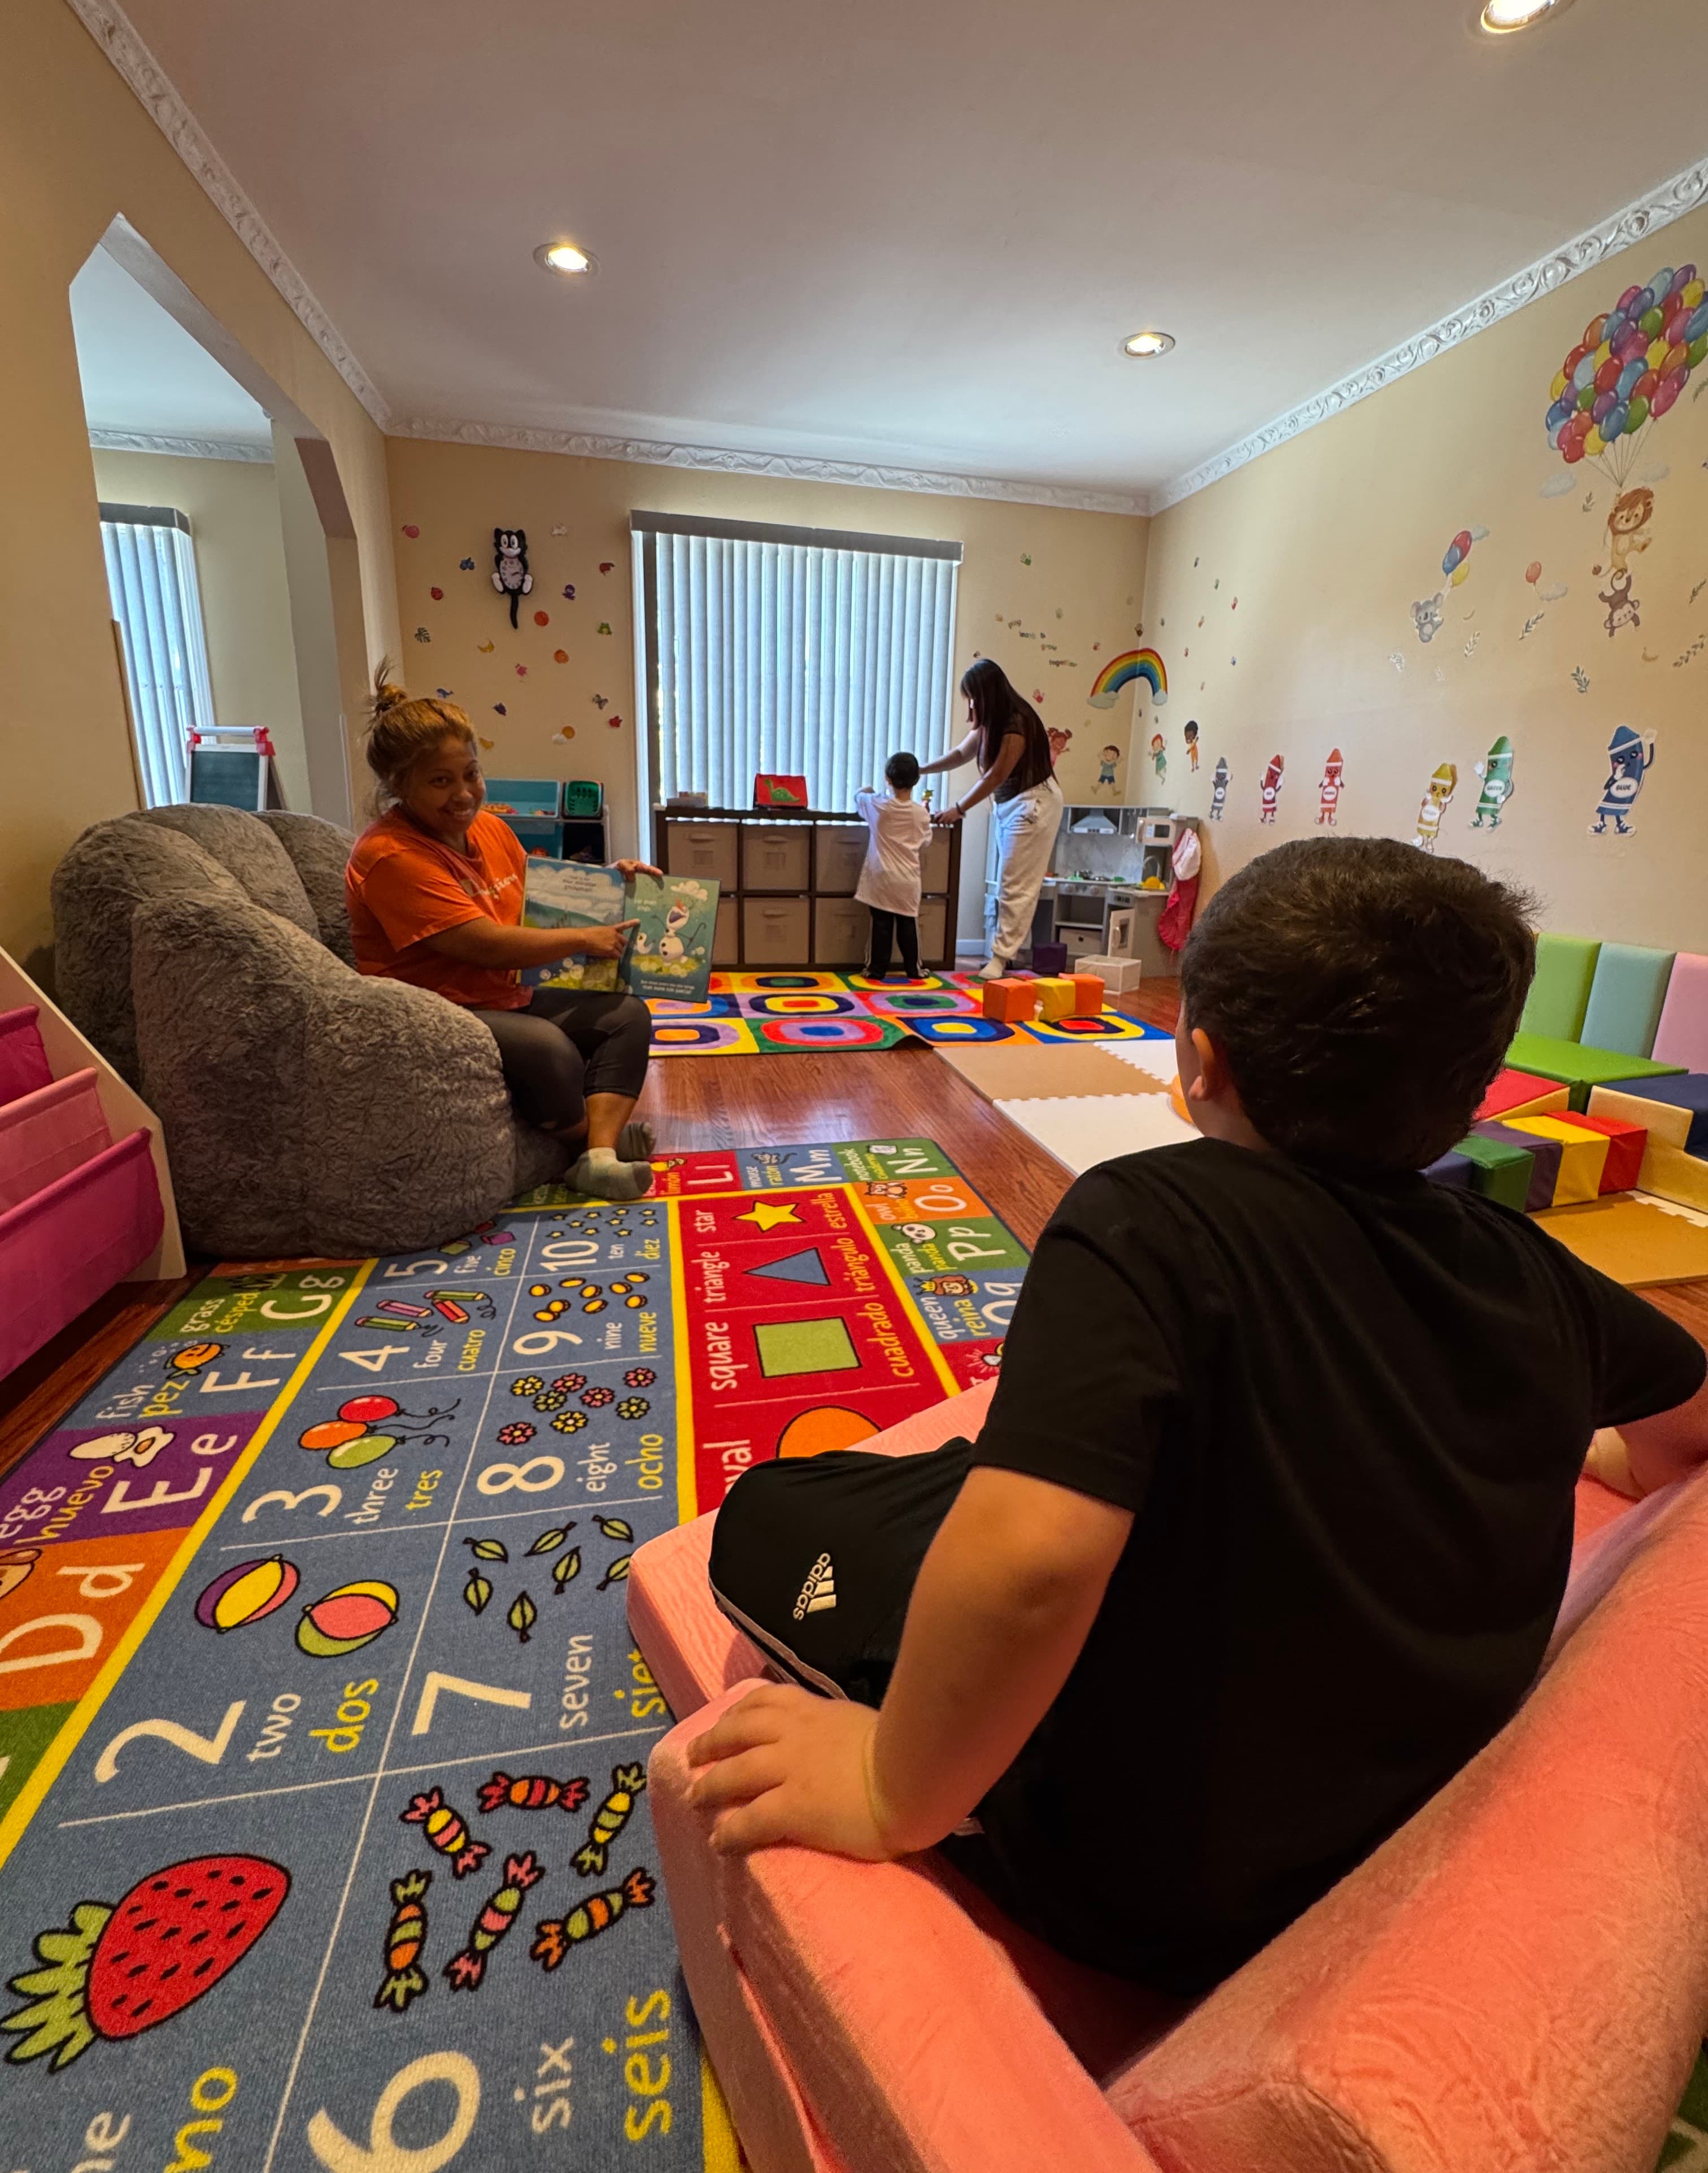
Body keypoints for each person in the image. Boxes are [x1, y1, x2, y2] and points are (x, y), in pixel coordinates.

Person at [688, 837, 1708, 1995]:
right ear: (1476, 1095)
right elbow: (1690, 1426)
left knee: (774, 1507)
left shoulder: (1145, 1218)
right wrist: (1604, 1448)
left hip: (1143, 1882)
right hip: (1404, 1795)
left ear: (1200, 1061)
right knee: (1007, 1477)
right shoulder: (1532, 1268)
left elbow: (1031, 1568)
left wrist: (888, 1788)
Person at [345, 678, 659, 1202]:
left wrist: (610, 883)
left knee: (625, 1015)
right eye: (440, 782)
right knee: (549, 1051)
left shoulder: (490, 829)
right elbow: (485, 943)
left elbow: (534, 907)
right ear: (400, 786)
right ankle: (588, 1142)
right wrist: (586, 937)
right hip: (437, 1010)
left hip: (505, 992)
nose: (463, 794)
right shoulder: (389, 857)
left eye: (471, 774)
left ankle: (599, 1157)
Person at [918, 660, 1061, 980]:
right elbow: (959, 755)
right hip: (1012, 805)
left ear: (986, 695)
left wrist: (959, 807)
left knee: (1015, 885)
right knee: (1007, 883)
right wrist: (921, 770)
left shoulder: (1016, 723)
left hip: (1033, 803)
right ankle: (1002, 955)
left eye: (972, 696)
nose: (970, 704)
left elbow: (996, 775)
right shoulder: (990, 723)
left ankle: (1000, 958)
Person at [854, 753, 933, 981]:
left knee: (881, 926)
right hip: (908, 880)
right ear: (917, 780)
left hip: (881, 878)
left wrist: (866, 789)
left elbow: (858, 796)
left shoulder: (878, 805)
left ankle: (876, 970)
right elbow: (926, 841)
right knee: (908, 925)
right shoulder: (920, 813)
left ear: (888, 778)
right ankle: (914, 970)